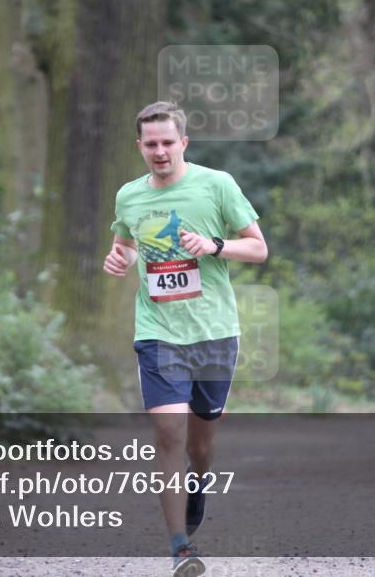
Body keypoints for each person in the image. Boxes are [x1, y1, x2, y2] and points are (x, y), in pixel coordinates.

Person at [104, 101, 268, 577]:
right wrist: (119, 260)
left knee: (200, 445)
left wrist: (214, 245)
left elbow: (258, 247)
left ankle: (199, 480)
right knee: (168, 432)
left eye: (167, 143)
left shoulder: (216, 185)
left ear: (183, 144)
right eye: (150, 144)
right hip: (159, 333)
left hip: (215, 333)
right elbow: (126, 246)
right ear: (140, 146)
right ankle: (180, 548)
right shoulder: (129, 197)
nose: (159, 151)